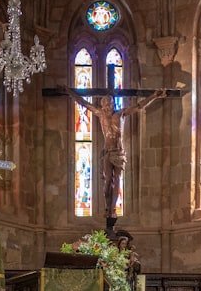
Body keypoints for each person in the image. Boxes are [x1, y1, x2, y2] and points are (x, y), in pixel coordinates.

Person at [64, 89, 165, 231]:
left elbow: (139, 106)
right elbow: (84, 103)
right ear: (102, 104)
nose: (107, 106)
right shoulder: (99, 114)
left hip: (119, 152)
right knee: (106, 184)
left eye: (109, 103)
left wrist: (154, 96)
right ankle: (107, 206)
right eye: (105, 103)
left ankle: (112, 210)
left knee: (117, 180)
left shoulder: (121, 114)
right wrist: (70, 93)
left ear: (113, 103)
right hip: (107, 152)